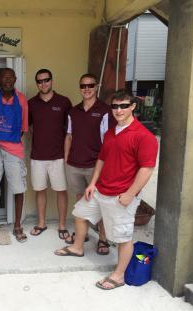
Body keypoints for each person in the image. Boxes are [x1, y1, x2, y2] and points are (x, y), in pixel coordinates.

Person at [55, 89, 158, 290]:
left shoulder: (144, 136)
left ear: (133, 107)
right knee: (79, 214)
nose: (118, 110)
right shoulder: (111, 132)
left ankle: (119, 275)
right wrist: (93, 183)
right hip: (101, 189)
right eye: (115, 106)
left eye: (123, 106)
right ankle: (77, 248)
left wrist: (130, 194)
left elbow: (146, 169)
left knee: (123, 237)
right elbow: (102, 159)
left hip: (121, 195)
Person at [63, 73, 115, 254]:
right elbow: (68, 136)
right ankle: (81, 234)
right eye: (83, 86)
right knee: (80, 203)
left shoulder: (105, 110)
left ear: (96, 87)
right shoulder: (73, 111)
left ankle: (102, 239)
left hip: (96, 166)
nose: (86, 89)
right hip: (74, 164)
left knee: (100, 203)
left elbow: (109, 141)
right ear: (80, 88)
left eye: (90, 85)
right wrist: (66, 159)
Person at [0, 68, 29, 243]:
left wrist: (9, 140)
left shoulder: (22, 99)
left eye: (10, 77)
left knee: (18, 187)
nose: (7, 80)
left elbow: (23, 127)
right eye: (3, 77)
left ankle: (17, 225)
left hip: (14, 149)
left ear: (15, 79)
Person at [28, 69, 72, 240]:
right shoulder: (32, 103)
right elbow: (30, 128)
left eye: (46, 80)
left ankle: (62, 225)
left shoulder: (63, 102)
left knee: (61, 191)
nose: (43, 84)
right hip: (38, 155)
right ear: (37, 83)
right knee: (40, 190)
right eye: (40, 81)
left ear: (52, 81)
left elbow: (69, 129)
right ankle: (41, 223)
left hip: (58, 156)